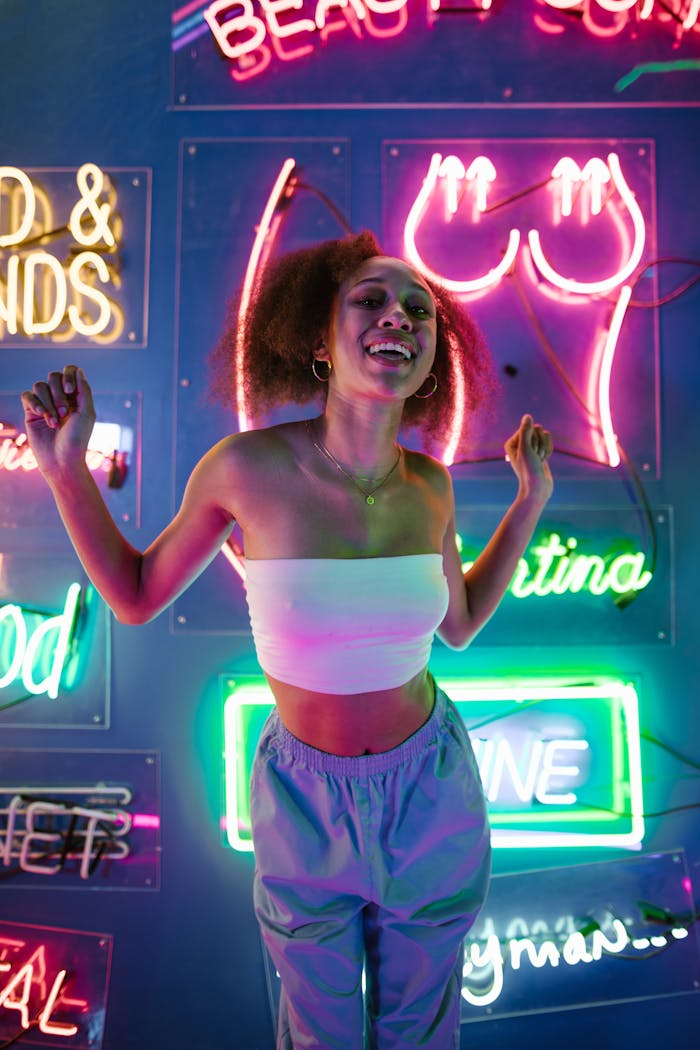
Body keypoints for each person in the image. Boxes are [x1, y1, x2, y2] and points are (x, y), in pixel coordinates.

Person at [21, 230, 553, 1050]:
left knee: (424, 1031)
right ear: (317, 337)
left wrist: (529, 502)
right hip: (304, 799)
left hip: (433, 786)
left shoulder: (431, 486)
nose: (398, 318)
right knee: (319, 1034)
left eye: (418, 310)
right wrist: (66, 473)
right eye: (370, 300)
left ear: (430, 357)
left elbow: (460, 622)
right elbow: (132, 596)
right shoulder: (244, 468)